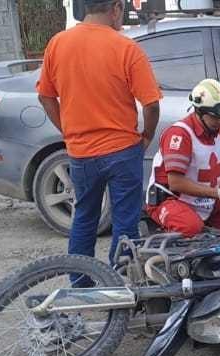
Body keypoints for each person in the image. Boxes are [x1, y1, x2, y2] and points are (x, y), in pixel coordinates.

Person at [36, 0, 161, 265]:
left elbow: (45, 97)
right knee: (125, 222)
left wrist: (68, 131)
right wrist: (147, 136)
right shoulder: (126, 47)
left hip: (81, 153)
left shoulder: (58, 44)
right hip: (123, 150)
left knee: (84, 219)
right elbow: (150, 104)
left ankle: (81, 286)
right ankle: (120, 284)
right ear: (115, 8)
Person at [145, 79, 220, 237]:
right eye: (216, 117)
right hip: (170, 199)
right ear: (199, 112)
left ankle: (213, 235)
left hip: (203, 198)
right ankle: (188, 233)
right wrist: (219, 193)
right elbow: (175, 183)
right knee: (190, 227)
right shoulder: (180, 134)